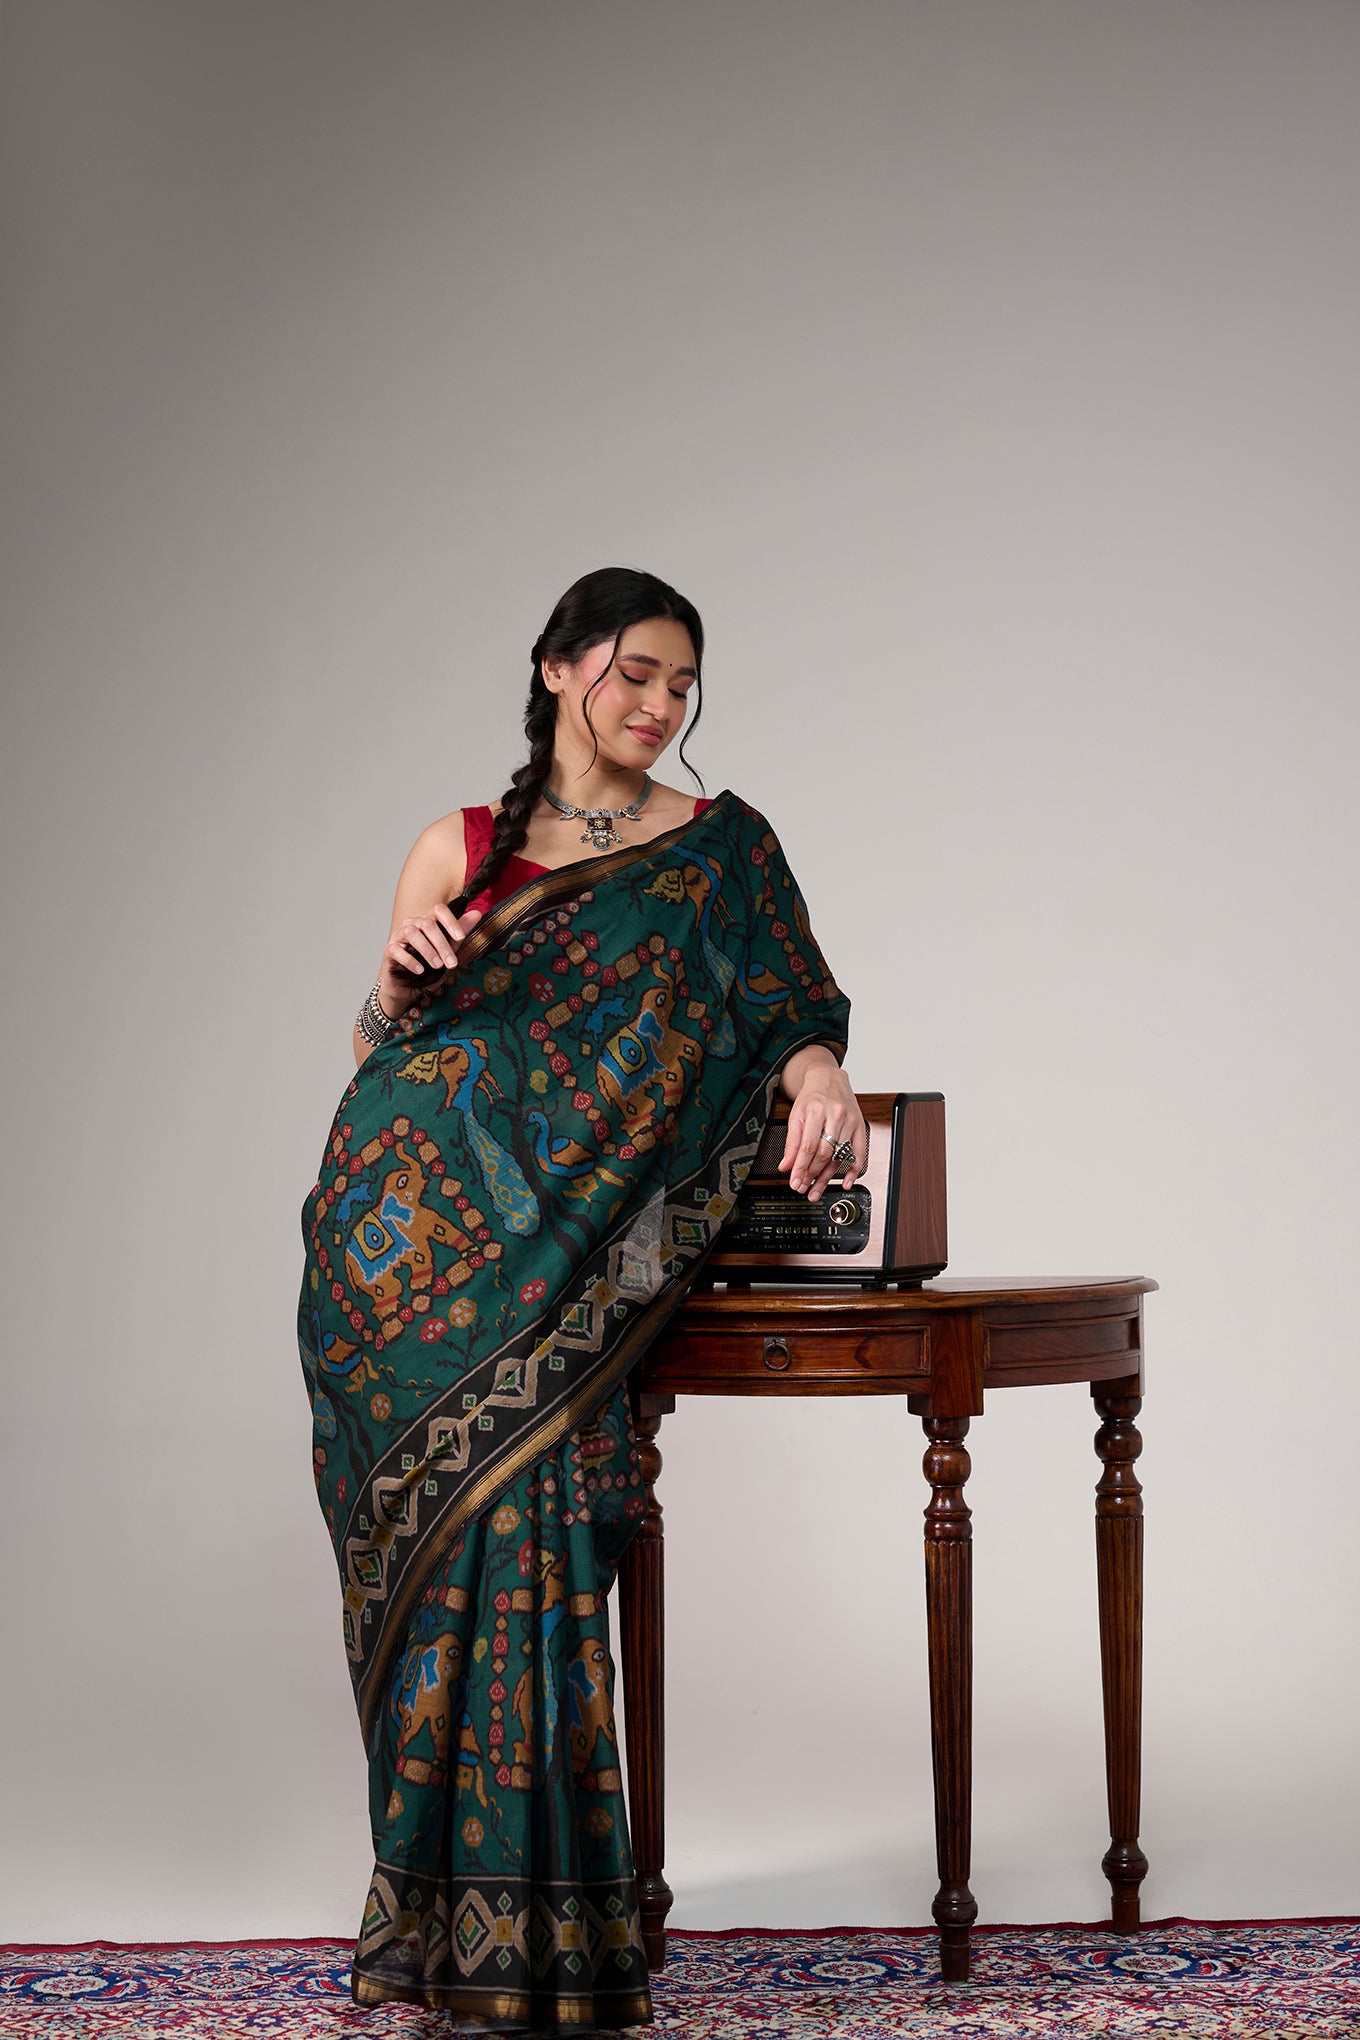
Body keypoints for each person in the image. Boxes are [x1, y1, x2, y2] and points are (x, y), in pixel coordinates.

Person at [297, 566, 865, 2031]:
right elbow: (375, 1050)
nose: (660, 705)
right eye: (635, 673)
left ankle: (545, 1938)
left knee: (544, 1524)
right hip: (406, 1279)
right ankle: (435, 1925)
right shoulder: (461, 846)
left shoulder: (724, 852)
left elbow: (789, 1009)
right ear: (556, 668)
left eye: (683, 682)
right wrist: (393, 987)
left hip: (578, 1268)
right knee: (436, 1567)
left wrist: (817, 1070)